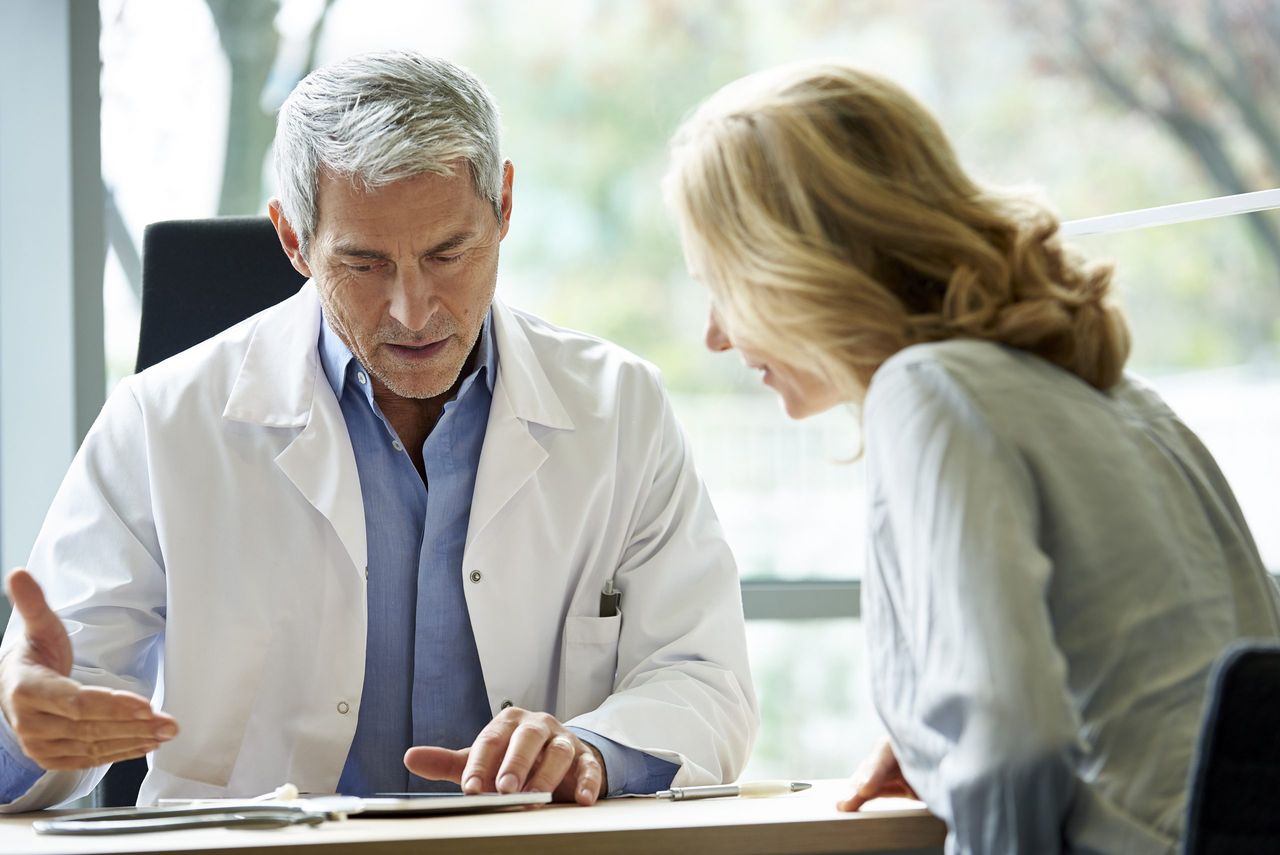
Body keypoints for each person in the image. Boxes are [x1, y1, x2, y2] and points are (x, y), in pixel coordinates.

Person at [0, 50, 757, 811]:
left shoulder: (620, 407)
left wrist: (592, 748)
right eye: (364, 263)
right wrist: (19, 727)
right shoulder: (159, 424)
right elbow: (62, 704)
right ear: (294, 241)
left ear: (504, 206)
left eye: (448, 252)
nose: (413, 308)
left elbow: (703, 677)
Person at [664, 60, 1280, 853]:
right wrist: (944, 749)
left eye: (721, 283)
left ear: (792, 263)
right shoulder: (1122, 399)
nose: (715, 333)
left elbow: (1016, 734)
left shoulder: (926, 392)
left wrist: (975, 751)